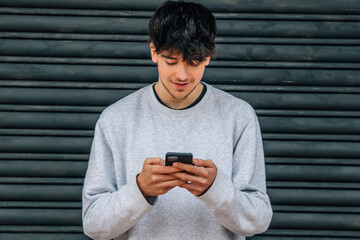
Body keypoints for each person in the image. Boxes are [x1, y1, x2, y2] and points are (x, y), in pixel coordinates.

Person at [82, 1, 273, 239]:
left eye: (193, 62)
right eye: (171, 61)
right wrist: (141, 190)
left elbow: (258, 220)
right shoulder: (116, 119)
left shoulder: (239, 116)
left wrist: (216, 188)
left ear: (208, 57)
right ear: (153, 52)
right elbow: (93, 225)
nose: (181, 75)